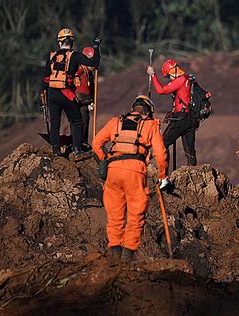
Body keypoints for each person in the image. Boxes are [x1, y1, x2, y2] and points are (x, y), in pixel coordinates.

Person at [92, 95, 169, 261]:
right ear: (149, 112)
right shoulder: (150, 125)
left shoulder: (115, 122)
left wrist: (104, 160)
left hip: (113, 170)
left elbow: (96, 143)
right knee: (135, 215)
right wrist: (163, 176)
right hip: (135, 171)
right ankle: (126, 259)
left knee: (114, 216)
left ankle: (115, 256)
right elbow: (161, 155)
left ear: (133, 108)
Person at [41, 28, 101, 156]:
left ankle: (55, 150)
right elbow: (94, 63)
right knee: (77, 122)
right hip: (66, 93)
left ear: (59, 42)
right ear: (71, 42)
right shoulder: (75, 55)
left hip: (52, 93)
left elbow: (45, 79)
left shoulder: (52, 56)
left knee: (55, 123)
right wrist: (96, 47)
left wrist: (44, 96)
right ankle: (77, 149)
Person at [147, 59, 198, 170]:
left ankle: (163, 171)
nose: (168, 79)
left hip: (181, 118)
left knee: (163, 143)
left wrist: (153, 75)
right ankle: (193, 173)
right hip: (192, 118)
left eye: (167, 76)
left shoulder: (180, 80)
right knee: (189, 149)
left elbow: (161, 90)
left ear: (171, 72)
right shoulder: (188, 78)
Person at [74, 46, 96, 150]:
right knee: (82, 122)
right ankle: (79, 144)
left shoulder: (90, 74)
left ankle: (84, 142)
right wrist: (87, 101)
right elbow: (78, 91)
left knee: (86, 121)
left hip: (86, 102)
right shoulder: (79, 71)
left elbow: (91, 90)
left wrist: (92, 101)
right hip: (80, 102)